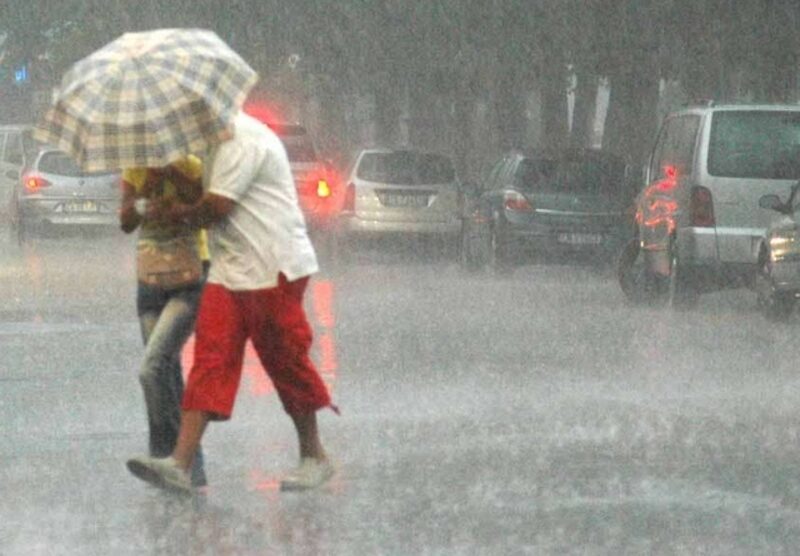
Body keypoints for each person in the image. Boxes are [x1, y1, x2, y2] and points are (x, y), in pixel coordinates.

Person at [126, 111, 335, 494]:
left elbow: (214, 208)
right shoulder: (209, 145)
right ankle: (181, 464)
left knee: (285, 359)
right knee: (211, 357)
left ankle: (314, 454)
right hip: (230, 267)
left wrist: (178, 214)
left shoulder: (244, 140)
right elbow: (198, 195)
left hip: (272, 264)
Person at [119, 156, 209, 487]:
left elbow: (203, 211)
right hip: (150, 280)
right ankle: (184, 465)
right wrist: (146, 188)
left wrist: (173, 172)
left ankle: (168, 458)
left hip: (189, 277)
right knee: (165, 373)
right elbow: (126, 221)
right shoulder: (134, 168)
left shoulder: (192, 164)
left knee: (152, 368)